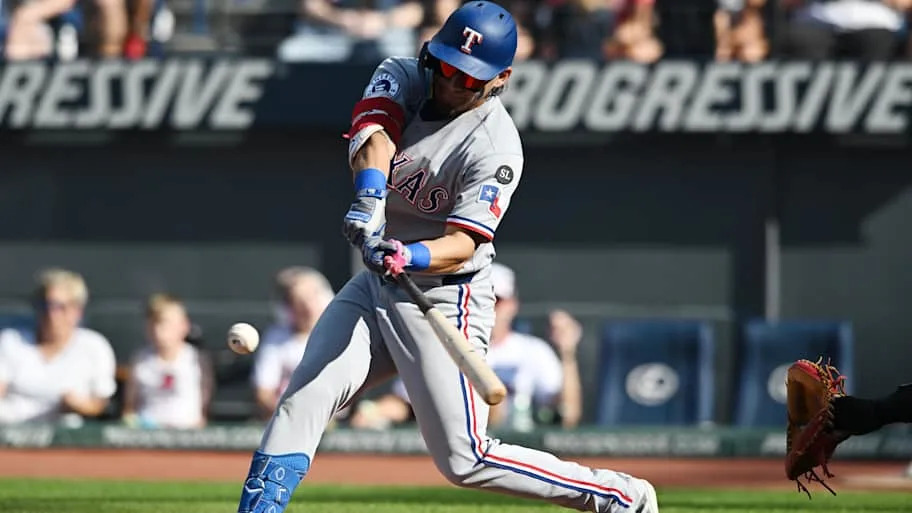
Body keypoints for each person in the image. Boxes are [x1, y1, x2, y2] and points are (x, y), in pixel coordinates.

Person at [234, 3, 659, 513]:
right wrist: (370, 198)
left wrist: (411, 252)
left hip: (444, 296)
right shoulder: (403, 75)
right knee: (305, 396)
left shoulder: (496, 146)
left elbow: (465, 243)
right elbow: (375, 134)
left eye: (468, 75)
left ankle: (618, 496)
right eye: (447, 65)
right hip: (376, 286)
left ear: (499, 78)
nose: (452, 81)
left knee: (466, 459)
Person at [349, 262, 584, 432]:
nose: (489, 307)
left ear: (512, 305)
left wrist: (567, 354)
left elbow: (568, 414)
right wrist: (373, 412)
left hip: (517, 444)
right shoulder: (441, 345)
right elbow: (405, 403)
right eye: (482, 299)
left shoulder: (532, 351)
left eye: (497, 301)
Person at [0, 268, 117, 426]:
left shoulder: (95, 346)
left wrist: (79, 405)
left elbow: (100, 404)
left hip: (68, 439)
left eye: (60, 307)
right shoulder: (10, 341)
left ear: (77, 311)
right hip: (10, 432)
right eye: (45, 305)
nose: (51, 314)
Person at [251, 267, 334, 420]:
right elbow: (263, 393)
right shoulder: (275, 338)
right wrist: (290, 417)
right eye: (299, 301)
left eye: (312, 297)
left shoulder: (341, 334)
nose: (308, 307)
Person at [121, 294, 214, 429]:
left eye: (166, 323)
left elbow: (205, 404)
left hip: (188, 436)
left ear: (184, 326)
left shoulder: (197, 360)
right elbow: (130, 406)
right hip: (147, 436)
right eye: (154, 323)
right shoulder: (139, 359)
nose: (159, 330)